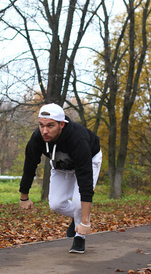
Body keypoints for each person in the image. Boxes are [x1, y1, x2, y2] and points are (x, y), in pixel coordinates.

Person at [19, 103, 102, 254]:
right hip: (61, 164)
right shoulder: (37, 138)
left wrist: (84, 221)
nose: (45, 131)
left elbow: (85, 181)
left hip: (89, 160)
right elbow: (30, 165)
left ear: (61, 124)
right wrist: (24, 196)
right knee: (56, 204)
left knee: (78, 203)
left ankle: (79, 236)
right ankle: (78, 218)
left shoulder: (78, 139)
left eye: (50, 126)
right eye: (41, 125)